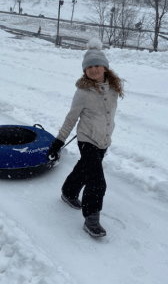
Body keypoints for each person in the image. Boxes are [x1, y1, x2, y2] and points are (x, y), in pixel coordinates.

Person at [47, 37, 125, 238]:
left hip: (104, 141)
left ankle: (68, 192)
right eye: (89, 67)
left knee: (84, 168)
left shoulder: (114, 89)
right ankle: (91, 219)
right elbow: (71, 118)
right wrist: (59, 141)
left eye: (97, 65)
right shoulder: (83, 92)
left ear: (105, 67)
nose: (94, 70)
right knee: (97, 180)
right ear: (85, 71)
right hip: (87, 140)